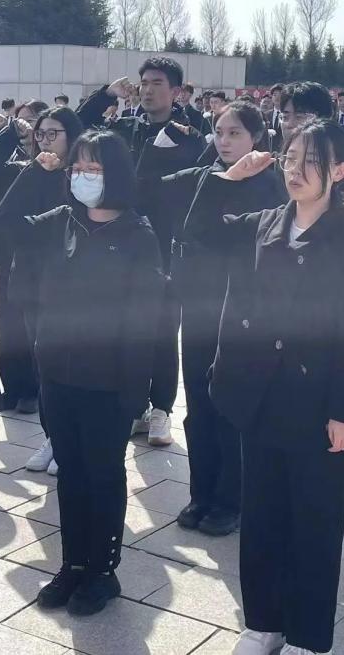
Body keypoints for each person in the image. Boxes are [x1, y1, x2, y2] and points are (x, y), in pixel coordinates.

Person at [187, 120, 344, 655]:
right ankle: (264, 622)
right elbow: (198, 232)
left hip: (315, 401)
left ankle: (308, 635)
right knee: (263, 515)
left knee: (313, 521)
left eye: (311, 162)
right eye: (291, 158)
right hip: (259, 395)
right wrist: (226, 179)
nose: (296, 170)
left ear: (339, 171)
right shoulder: (265, 222)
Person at [2, 130, 164, 616]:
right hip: (58, 373)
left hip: (109, 381)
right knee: (70, 473)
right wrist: (35, 172)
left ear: (115, 174)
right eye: (77, 168)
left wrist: (135, 392)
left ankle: (102, 570)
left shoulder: (137, 235)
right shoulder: (60, 222)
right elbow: (1, 225)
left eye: (93, 168)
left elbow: (144, 322)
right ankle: (72, 563)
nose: (83, 177)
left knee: (102, 474)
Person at [169, 102, 286, 538]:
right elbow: (193, 229)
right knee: (199, 405)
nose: (224, 141)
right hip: (201, 306)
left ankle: (231, 499)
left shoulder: (273, 183)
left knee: (231, 407)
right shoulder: (210, 177)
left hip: (244, 312)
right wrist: (224, 182)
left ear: (256, 137)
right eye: (219, 132)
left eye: (235, 133)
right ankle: (201, 492)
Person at [76, 56, 204, 447]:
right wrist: (105, 95)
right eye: (143, 82)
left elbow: (183, 186)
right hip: (119, 243)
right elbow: (77, 130)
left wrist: (153, 158)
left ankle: (162, 407)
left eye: (157, 83)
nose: (147, 90)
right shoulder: (124, 128)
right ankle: (135, 407)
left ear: (176, 91)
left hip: (164, 244)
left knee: (162, 329)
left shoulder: (189, 135)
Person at [0, 106, 85, 473]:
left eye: (53, 134)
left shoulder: (84, 174)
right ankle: (53, 436)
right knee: (43, 365)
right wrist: (34, 171)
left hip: (73, 287)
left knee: (70, 367)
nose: (45, 142)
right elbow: (3, 220)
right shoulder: (30, 174)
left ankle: (69, 438)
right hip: (33, 284)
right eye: (40, 134)